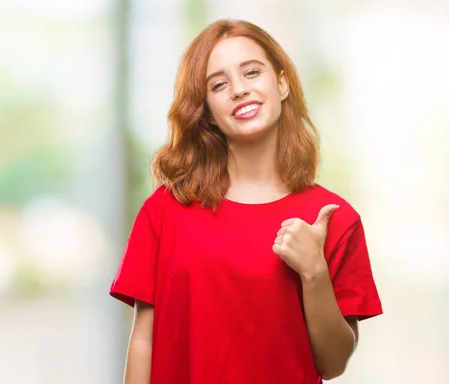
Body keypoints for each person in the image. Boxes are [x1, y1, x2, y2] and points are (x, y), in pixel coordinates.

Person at [109, 19, 382, 384]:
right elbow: (144, 339)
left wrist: (313, 273)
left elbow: (333, 363)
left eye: (252, 72)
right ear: (206, 110)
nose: (239, 90)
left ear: (281, 83)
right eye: (219, 84)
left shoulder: (334, 219)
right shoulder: (165, 209)